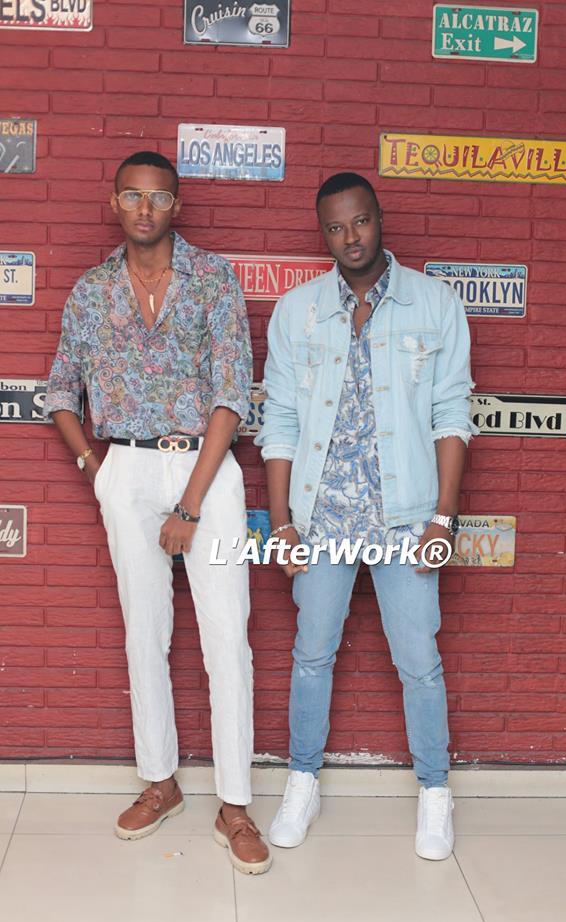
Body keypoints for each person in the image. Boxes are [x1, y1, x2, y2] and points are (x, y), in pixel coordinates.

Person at [44, 150, 271, 875]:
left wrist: (190, 503)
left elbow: (232, 393)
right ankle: (160, 782)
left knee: (226, 637)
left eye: (159, 197)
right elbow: (60, 390)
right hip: (127, 468)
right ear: (115, 203)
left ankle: (234, 804)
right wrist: (98, 470)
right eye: (132, 196)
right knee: (145, 632)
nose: (145, 209)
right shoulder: (91, 291)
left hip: (207, 468)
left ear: (177, 205)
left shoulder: (213, 278)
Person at [256, 171, 476, 861]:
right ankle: (302, 782)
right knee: (311, 655)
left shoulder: (434, 304)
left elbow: (452, 414)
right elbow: (280, 422)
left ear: (379, 219)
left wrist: (443, 520)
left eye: (360, 221)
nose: (350, 237)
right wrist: (283, 523)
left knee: (419, 661)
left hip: (405, 518)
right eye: (335, 227)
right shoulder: (297, 311)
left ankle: (435, 792)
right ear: (323, 233)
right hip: (322, 517)